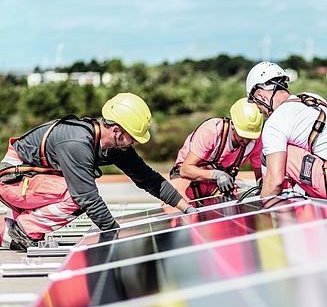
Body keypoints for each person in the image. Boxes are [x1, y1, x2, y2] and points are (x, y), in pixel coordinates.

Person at [0, 92, 195, 251]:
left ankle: (11, 229)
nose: (135, 142)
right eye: (133, 137)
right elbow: (87, 197)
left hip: (32, 183)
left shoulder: (115, 147)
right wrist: (114, 235)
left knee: (78, 193)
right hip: (13, 181)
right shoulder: (77, 142)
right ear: (117, 131)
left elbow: (148, 178)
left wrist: (188, 209)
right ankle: (23, 231)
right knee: (76, 196)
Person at [245, 61, 327, 202]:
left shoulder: (274, 123)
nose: (260, 111)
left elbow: (275, 181)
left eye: (256, 103)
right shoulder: (312, 98)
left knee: (271, 156)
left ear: (260, 94)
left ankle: (284, 212)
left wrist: (262, 207)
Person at [169, 98, 263, 203]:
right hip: (187, 179)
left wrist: (263, 184)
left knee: (233, 209)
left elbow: (260, 176)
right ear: (233, 124)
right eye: (242, 135)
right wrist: (217, 175)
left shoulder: (256, 142)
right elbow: (185, 170)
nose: (246, 141)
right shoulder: (212, 131)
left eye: (250, 137)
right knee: (180, 209)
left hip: (219, 184)